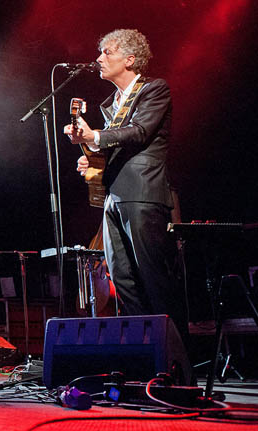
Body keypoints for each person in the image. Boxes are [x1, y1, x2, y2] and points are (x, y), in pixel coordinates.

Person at [64, 28, 183, 332]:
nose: (99, 58)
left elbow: (140, 132)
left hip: (143, 193)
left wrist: (96, 137)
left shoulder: (154, 89)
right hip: (114, 196)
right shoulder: (111, 103)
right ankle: (143, 354)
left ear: (130, 59)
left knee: (152, 277)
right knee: (122, 278)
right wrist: (90, 153)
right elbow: (117, 146)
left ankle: (175, 362)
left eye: (107, 52)